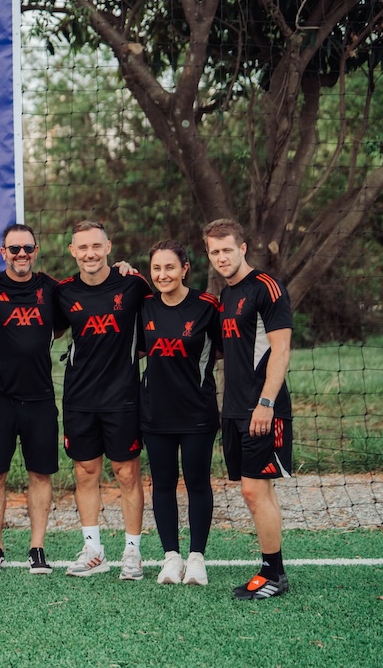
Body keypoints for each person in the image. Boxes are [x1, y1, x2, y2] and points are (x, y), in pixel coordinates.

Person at [55, 221, 153, 580]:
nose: (90, 254)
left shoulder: (133, 284)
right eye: (82, 248)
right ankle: (93, 549)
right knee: (85, 472)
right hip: (79, 398)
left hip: (122, 397)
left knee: (127, 473)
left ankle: (132, 551)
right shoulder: (62, 292)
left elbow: (159, 320)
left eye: (96, 246)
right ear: (72, 251)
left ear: (109, 247)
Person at [204, 219, 293, 600]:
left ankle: (273, 575)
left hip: (263, 409)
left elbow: (281, 351)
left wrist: (266, 404)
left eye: (227, 249)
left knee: (257, 492)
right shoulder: (226, 296)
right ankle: (274, 570)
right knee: (253, 492)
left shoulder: (266, 289)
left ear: (243, 248)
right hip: (235, 410)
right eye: (214, 251)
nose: (221, 257)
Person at [0, 223, 62, 576]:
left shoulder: (52, 289)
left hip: (40, 397)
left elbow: (74, 312)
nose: (21, 255)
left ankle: (37, 548)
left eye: (27, 249)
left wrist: (122, 269)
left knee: (40, 473)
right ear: (3, 253)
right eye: (14, 249)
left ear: (36, 251)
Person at [139, 240, 222, 586]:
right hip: (155, 412)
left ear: (185, 268)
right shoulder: (144, 307)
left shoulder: (207, 306)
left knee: (197, 482)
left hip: (197, 412)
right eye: (156, 268)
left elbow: (221, 350)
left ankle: (196, 558)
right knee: (162, 484)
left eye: (170, 267)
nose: (163, 275)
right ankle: (171, 557)